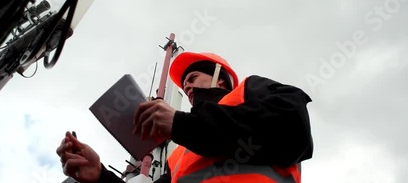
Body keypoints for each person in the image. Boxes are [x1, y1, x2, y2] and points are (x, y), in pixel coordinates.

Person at [56, 52, 313, 183]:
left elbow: (291, 128)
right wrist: (99, 175)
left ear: (219, 77)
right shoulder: (179, 156)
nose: (187, 87)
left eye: (192, 79)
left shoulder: (251, 89)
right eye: (184, 84)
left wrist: (181, 124)